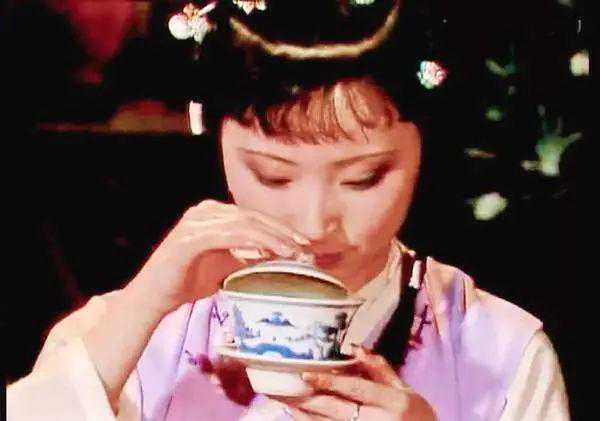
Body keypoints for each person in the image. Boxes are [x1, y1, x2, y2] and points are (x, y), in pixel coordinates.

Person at [7, 0, 569, 420]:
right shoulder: (135, 330)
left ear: (425, 150)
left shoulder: (499, 350)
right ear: (216, 142)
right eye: (272, 175)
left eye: (364, 177)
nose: (314, 222)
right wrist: (143, 303)